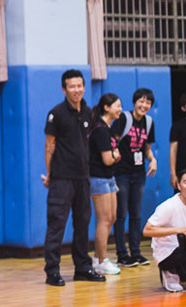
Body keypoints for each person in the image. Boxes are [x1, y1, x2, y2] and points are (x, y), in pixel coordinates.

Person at [42, 69, 105, 286]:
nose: (76, 90)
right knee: (57, 224)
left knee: (83, 222)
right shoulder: (56, 113)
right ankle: (52, 271)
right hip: (61, 178)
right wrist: (49, 174)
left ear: (84, 87)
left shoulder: (88, 112)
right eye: (71, 86)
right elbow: (50, 146)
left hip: (83, 178)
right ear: (64, 89)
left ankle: (83, 268)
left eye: (79, 85)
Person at [111, 88, 157, 267]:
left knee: (136, 214)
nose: (144, 105)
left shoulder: (149, 122)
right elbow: (113, 140)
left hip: (139, 173)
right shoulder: (124, 118)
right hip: (121, 172)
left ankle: (136, 253)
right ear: (134, 102)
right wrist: (113, 154)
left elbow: (146, 148)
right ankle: (122, 254)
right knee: (121, 213)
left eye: (148, 103)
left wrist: (152, 160)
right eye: (141, 101)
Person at [89, 93, 123, 275]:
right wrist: (115, 155)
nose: (120, 109)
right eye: (117, 105)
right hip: (99, 178)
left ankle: (99, 257)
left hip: (110, 178)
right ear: (107, 107)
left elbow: (113, 154)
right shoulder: (100, 129)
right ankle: (100, 261)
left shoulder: (108, 128)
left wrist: (115, 155)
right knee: (103, 220)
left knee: (111, 218)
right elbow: (108, 159)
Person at [143, 167, 186, 292]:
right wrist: (177, 230)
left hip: (183, 250)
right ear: (178, 185)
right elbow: (147, 230)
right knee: (182, 236)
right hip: (167, 253)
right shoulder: (169, 206)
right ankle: (170, 272)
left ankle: (182, 275)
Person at [170, 93, 186, 191]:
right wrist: (173, 173)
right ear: (183, 108)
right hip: (182, 169)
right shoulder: (177, 126)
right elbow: (173, 150)